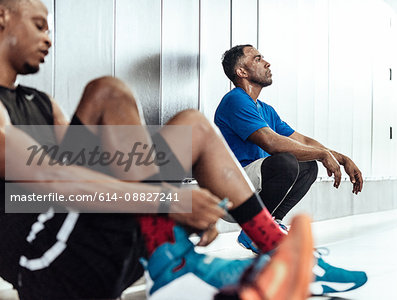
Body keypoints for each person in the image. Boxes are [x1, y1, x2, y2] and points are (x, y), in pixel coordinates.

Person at [0, 1, 316, 299]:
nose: (48, 40)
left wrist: (168, 199)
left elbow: (81, 175)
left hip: (82, 242)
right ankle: (171, 248)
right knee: (107, 94)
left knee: (187, 123)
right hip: (40, 263)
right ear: (3, 17)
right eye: (39, 26)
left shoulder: (42, 105)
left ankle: (272, 249)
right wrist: (167, 199)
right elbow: (50, 177)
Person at [215, 44, 367, 294]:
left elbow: (302, 142)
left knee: (307, 164)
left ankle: (269, 223)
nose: (267, 63)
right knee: (285, 161)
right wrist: (322, 154)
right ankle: (253, 231)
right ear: (241, 71)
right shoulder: (235, 101)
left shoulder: (265, 110)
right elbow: (272, 143)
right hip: (232, 192)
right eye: (258, 58)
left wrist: (340, 157)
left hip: (252, 188)